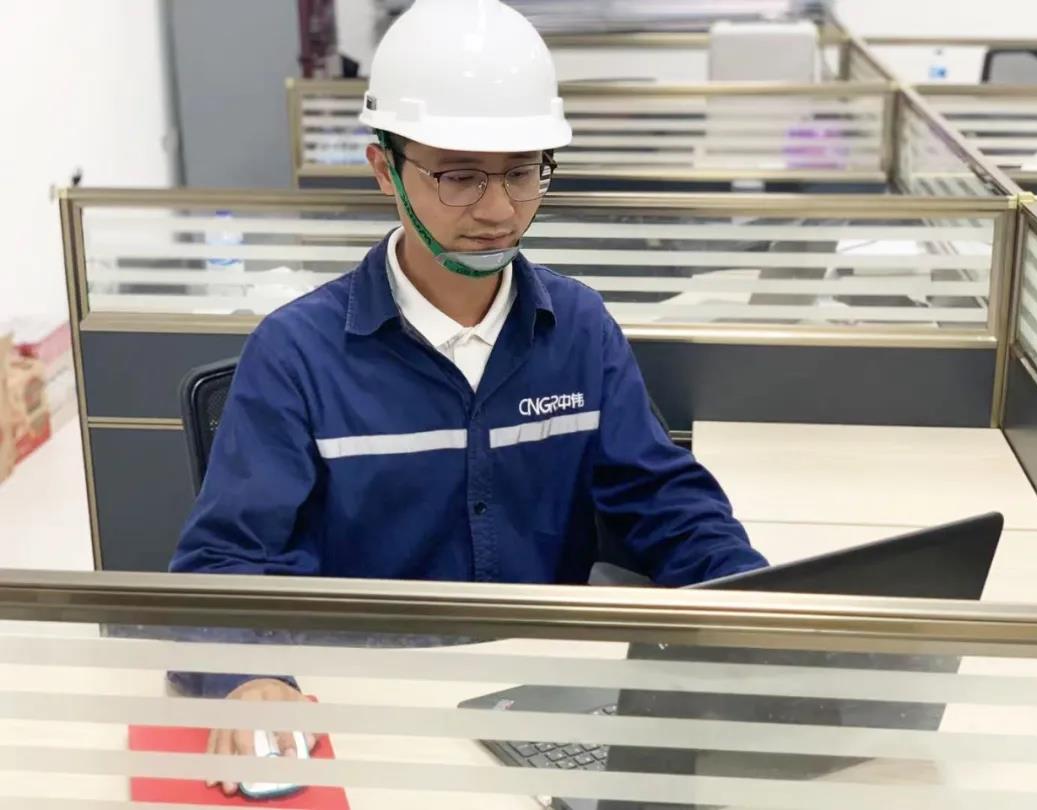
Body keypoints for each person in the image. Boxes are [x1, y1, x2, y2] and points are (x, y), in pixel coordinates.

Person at [169, 0, 767, 791]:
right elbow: (221, 563)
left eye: (522, 172)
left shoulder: (578, 328)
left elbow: (667, 504)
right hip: (371, 715)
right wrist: (249, 677)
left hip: (538, 707)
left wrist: (760, 616)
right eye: (459, 176)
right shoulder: (297, 354)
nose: (498, 210)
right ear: (385, 168)